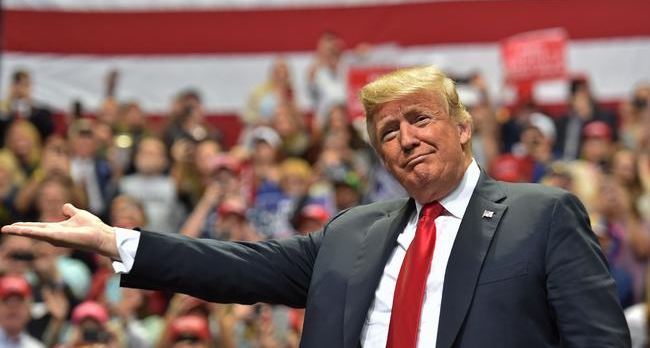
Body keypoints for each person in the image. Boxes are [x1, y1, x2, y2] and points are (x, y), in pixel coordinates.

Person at [2, 65, 630, 347]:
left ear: (462, 127)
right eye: (388, 132)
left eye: (420, 119)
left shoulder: (542, 214)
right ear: (380, 157)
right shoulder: (352, 231)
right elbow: (237, 267)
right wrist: (117, 241)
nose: (406, 138)